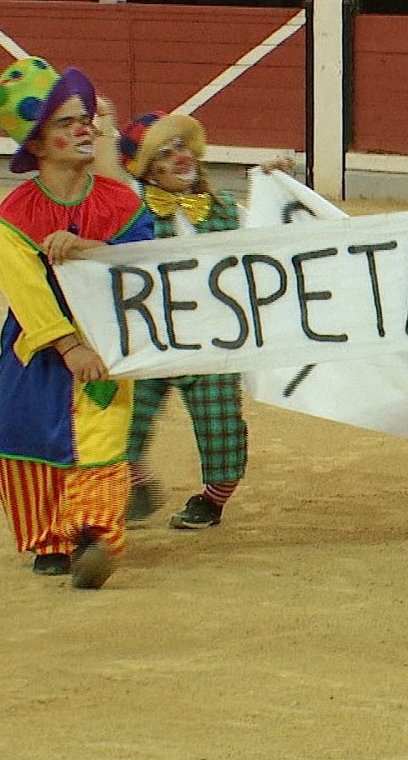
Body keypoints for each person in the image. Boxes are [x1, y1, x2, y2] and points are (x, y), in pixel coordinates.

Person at [0, 56, 154, 589]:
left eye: (85, 118)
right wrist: (66, 343)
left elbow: (147, 265)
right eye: (67, 122)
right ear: (36, 144)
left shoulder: (122, 201)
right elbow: (25, 292)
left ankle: (91, 536)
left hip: (107, 343)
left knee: (101, 437)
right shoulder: (14, 216)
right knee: (27, 435)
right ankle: (48, 538)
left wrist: (93, 250)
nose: (85, 129)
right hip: (39, 352)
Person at [112, 111, 290, 530]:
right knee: (121, 425)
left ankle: (211, 501)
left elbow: (279, 239)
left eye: (181, 147)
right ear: (146, 171)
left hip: (211, 344)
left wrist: (276, 189)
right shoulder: (129, 212)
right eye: (164, 153)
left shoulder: (227, 210)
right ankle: (136, 483)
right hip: (149, 341)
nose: (179, 158)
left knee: (222, 434)